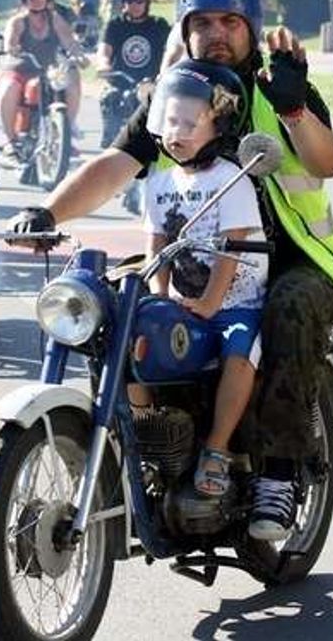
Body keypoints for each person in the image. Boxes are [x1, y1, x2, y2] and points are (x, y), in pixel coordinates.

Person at [6, 0, 333, 541]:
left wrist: (294, 108)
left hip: (296, 263)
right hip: (190, 264)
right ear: (186, 29)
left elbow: (326, 161)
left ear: (251, 28)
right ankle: (147, 437)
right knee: (109, 305)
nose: (217, 32)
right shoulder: (173, 96)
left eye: (231, 21)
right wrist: (48, 213)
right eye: (204, 22)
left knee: (288, 307)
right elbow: (115, 166)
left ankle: (280, 474)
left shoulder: (278, 85)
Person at [132, 59, 267, 497]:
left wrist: (210, 304)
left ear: (220, 124)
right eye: (172, 120)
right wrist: (158, 297)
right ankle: (142, 435)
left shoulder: (233, 179)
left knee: (238, 352)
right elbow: (157, 249)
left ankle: (216, 447)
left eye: (192, 122)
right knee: (129, 338)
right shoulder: (157, 182)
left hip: (235, 303)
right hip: (183, 300)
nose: (178, 132)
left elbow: (231, 252)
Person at [0, 0, 87, 159]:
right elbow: (10, 40)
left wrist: (78, 55)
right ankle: (11, 140)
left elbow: (70, 41)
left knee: (72, 78)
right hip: (20, 71)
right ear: (25, 0)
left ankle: (64, 135)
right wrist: (12, 48)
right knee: (9, 88)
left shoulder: (55, 20)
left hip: (48, 71)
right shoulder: (18, 21)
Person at [96, 0, 170, 146]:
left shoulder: (159, 25)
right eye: (129, 0)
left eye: (139, 0)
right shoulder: (115, 25)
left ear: (147, 1)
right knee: (110, 97)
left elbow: (171, 52)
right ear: (123, 1)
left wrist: (166, 72)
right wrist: (103, 65)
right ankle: (110, 143)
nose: (134, 5)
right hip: (121, 82)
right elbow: (104, 51)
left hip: (151, 84)